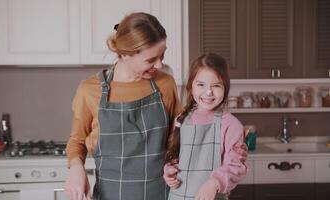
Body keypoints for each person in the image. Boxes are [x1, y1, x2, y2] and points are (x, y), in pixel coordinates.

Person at [64, 12, 182, 200]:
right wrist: (76, 168)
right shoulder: (89, 91)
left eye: (162, 55)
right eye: (151, 59)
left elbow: (178, 137)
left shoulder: (165, 84)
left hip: (162, 194)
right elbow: (77, 142)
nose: (159, 65)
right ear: (126, 54)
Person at [163, 52, 247, 200]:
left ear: (225, 88)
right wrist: (169, 171)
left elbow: (236, 166)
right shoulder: (181, 120)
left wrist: (214, 183)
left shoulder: (231, 125)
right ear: (191, 86)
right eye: (201, 84)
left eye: (216, 85)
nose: (208, 92)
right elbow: (174, 156)